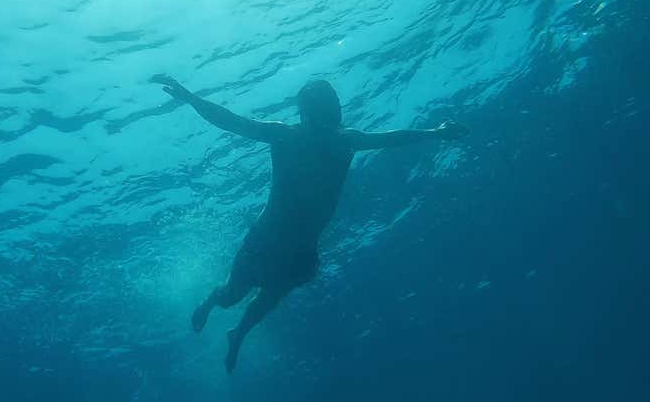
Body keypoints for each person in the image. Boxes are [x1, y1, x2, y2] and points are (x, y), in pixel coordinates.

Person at [151, 75, 468, 372]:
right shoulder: (288, 135)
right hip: (266, 240)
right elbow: (232, 121)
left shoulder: (345, 140)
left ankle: (239, 334)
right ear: (310, 110)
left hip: (302, 250)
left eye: (330, 107)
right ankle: (210, 303)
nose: (328, 113)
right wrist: (191, 98)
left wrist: (436, 133)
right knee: (232, 296)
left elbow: (393, 138)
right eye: (324, 106)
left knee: (270, 298)